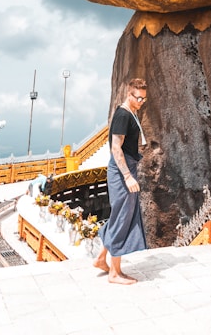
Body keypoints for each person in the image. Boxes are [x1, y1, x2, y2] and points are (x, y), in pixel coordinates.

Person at [94, 78, 148, 284]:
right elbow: (116, 148)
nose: (142, 101)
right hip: (121, 171)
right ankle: (115, 273)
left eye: (144, 98)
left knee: (120, 215)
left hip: (128, 167)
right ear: (129, 94)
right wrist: (127, 176)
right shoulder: (123, 115)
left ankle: (101, 259)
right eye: (139, 98)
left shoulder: (132, 113)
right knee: (122, 218)